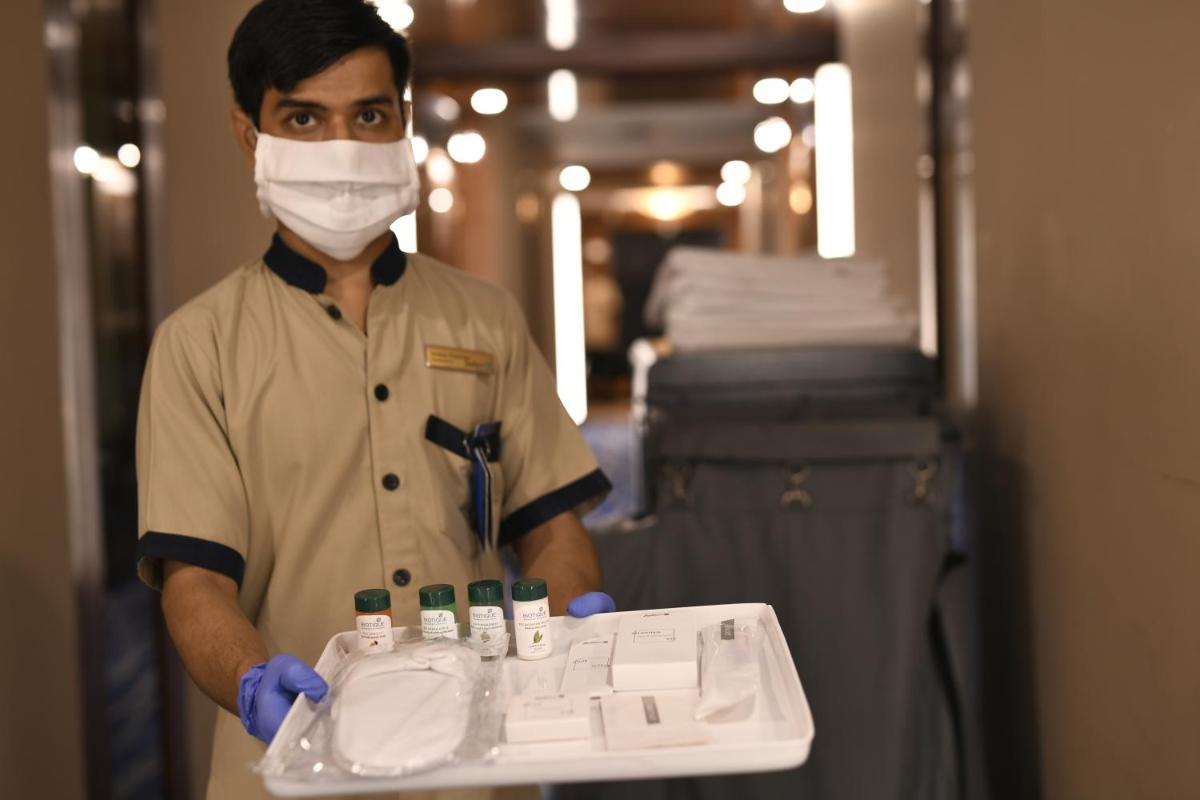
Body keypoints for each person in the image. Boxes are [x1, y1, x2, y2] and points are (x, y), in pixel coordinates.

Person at [134, 2, 615, 797]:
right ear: (250, 136)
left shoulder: (483, 318)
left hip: (477, 766)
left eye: (368, 114)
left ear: (403, 121)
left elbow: (551, 526)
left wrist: (562, 630)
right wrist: (251, 680)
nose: (343, 146)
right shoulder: (200, 346)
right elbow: (196, 581)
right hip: (293, 769)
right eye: (303, 118)